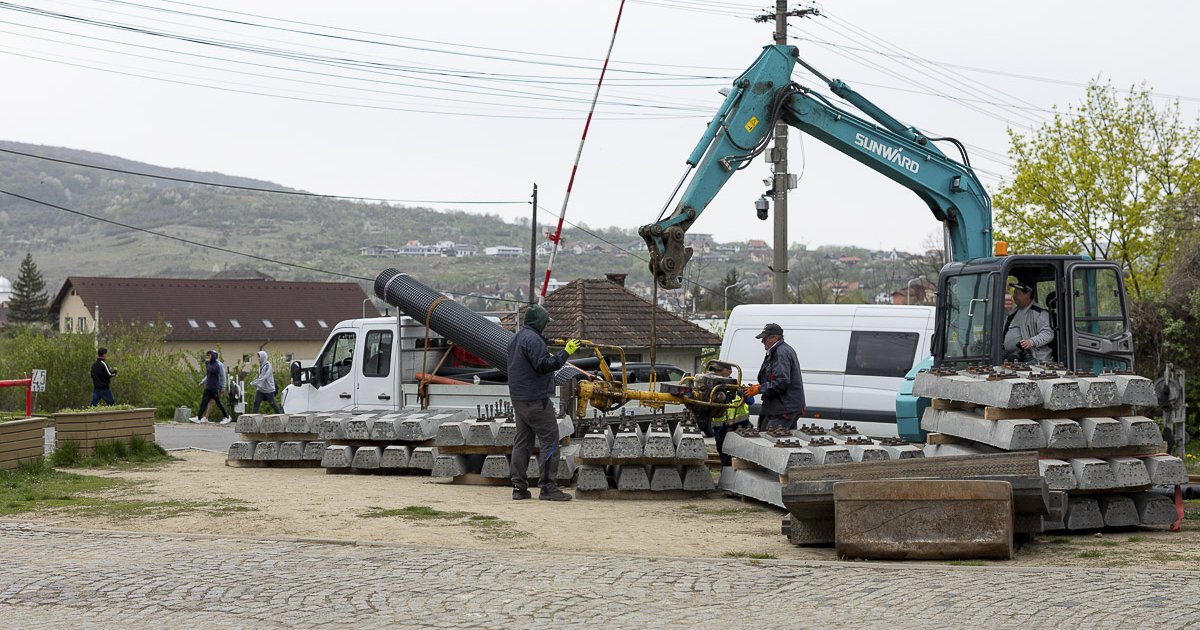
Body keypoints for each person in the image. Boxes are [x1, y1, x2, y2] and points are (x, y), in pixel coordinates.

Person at [506, 303, 580, 502]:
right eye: (545, 322)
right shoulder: (534, 340)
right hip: (536, 400)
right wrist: (566, 352)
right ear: (539, 322)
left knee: (522, 442)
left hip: (519, 399)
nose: (546, 325)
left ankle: (518, 488)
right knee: (550, 441)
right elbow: (544, 366)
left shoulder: (516, 338)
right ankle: (548, 488)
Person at [747, 323, 805, 431]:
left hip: (783, 408)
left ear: (774, 337)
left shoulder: (780, 353)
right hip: (785, 406)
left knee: (769, 439)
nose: (762, 341)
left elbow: (782, 382)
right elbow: (776, 379)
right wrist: (760, 386)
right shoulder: (779, 351)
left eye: (765, 338)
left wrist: (759, 389)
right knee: (782, 440)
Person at [709, 362, 753, 466]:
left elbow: (751, 401)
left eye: (719, 370)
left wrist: (742, 392)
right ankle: (727, 475)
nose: (716, 373)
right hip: (720, 428)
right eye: (715, 371)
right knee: (724, 454)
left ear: (729, 371)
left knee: (740, 455)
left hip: (739, 426)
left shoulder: (737, 387)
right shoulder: (711, 389)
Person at [1002, 282, 1054, 362]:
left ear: (1028, 294)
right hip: (1013, 358)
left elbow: (1048, 334)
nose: (1014, 296)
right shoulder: (1013, 312)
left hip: (1036, 359)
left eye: (1017, 293)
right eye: (1014, 293)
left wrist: (1031, 341)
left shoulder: (1040, 313)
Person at [191, 350, 231, 424]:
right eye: (207, 355)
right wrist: (202, 382)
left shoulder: (218, 365)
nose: (208, 357)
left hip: (216, 386)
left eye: (209, 355)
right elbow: (208, 375)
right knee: (204, 402)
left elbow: (222, 376)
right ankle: (200, 417)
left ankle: (226, 417)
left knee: (217, 402)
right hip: (208, 387)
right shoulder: (210, 364)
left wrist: (223, 386)